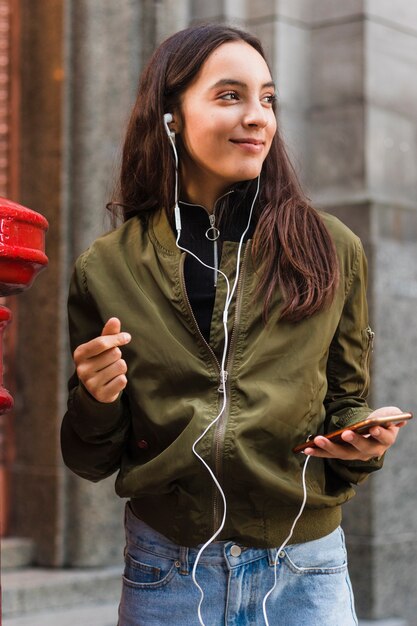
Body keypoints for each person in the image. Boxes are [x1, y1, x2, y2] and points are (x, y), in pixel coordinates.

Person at [61, 23, 408, 626]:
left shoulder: (332, 247)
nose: (258, 118)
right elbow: (90, 458)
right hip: (167, 570)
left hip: (305, 570)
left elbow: (347, 401)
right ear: (171, 116)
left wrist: (363, 438)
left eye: (267, 98)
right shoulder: (106, 267)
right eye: (229, 96)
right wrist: (96, 398)